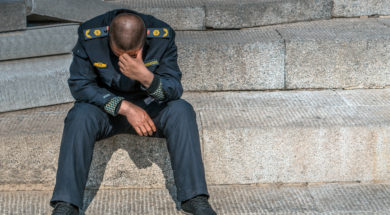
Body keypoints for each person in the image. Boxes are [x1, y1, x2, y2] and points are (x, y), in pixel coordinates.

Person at [49, 9, 217, 215]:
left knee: (182, 110)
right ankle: (67, 203)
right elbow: (80, 85)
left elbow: (174, 88)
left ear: (145, 39)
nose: (125, 60)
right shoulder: (90, 35)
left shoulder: (162, 36)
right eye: (119, 54)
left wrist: (146, 77)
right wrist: (124, 107)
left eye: (133, 54)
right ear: (109, 36)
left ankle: (194, 197)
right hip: (107, 108)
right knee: (79, 116)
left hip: (150, 106)